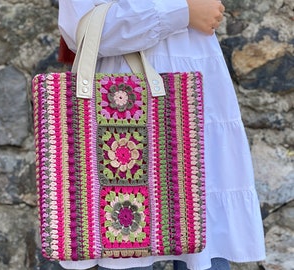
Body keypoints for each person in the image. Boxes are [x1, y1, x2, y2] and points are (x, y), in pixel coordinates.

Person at [57, 0, 266, 269]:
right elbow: (81, 29)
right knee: (125, 232)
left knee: (204, 241)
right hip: (119, 106)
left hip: (196, 97)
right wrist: (182, 11)